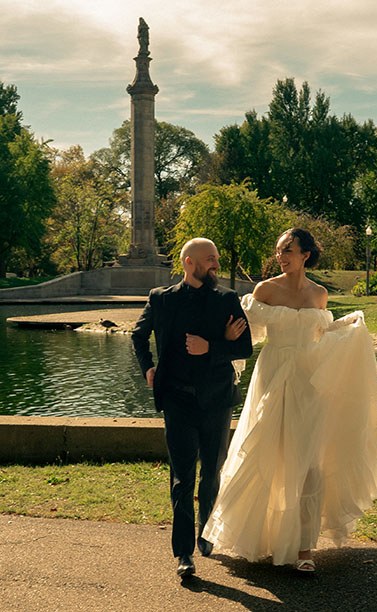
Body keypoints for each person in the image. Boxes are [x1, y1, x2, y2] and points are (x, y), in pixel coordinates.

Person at [200, 228, 377, 572]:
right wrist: (225, 338)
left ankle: (303, 550)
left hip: (309, 382)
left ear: (306, 255)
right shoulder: (265, 290)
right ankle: (260, 537)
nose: (282, 256)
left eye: (289, 250)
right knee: (265, 449)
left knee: (310, 461)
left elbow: (321, 336)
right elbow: (249, 336)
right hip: (273, 375)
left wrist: (348, 327)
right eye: (279, 250)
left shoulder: (320, 294)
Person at [131, 237, 252, 578]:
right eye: (210, 259)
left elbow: (245, 347)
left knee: (211, 472)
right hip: (177, 401)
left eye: (216, 258)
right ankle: (184, 553)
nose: (216, 264)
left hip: (216, 400)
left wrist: (211, 347)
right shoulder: (160, 298)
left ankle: (207, 531)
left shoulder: (227, 299)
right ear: (189, 263)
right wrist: (148, 368)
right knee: (182, 478)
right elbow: (138, 336)